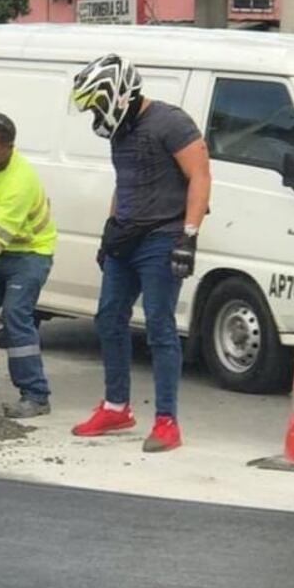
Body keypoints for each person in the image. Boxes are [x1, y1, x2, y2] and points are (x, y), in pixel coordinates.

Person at [69, 53, 211, 453]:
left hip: (162, 237)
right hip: (126, 238)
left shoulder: (171, 122)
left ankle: (167, 421)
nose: (95, 114)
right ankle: (117, 406)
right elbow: (126, 182)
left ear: (116, 95)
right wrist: (109, 230)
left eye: (97, 103)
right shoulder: (120, 132)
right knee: (108, 318)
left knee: (160, 326)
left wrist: (189, 236)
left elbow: (200, 175)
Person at [0, 113, 57, 419]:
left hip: (30, 252)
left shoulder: (21, 181)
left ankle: (36, 395)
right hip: (0, 251)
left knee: (16, 314)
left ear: (8, 148)